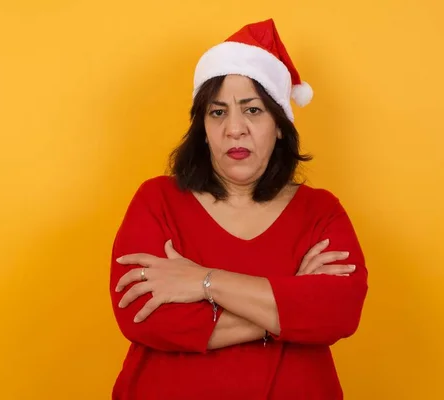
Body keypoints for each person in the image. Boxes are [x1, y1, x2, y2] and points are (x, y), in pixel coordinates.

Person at [109, 18, 368, 400]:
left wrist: (202, 281)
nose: (235, 128)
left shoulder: (320, 211)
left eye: (253, 110)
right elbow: (144, 317)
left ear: (280, 124)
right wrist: (290, 302)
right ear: (203, 126)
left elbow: (338, 311)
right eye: (218, 112)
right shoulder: (156, 200)